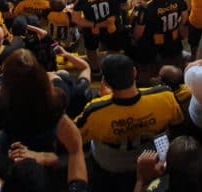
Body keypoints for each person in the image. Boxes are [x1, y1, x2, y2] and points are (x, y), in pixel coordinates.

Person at [76, 53, 183, 186]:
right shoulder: (165, 95)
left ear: (105, 82)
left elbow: (75, 136)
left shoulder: (94, 110)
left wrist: (101, 97)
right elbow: (177, 124)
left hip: (110, 164)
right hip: (153, 159)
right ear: (134, 72)